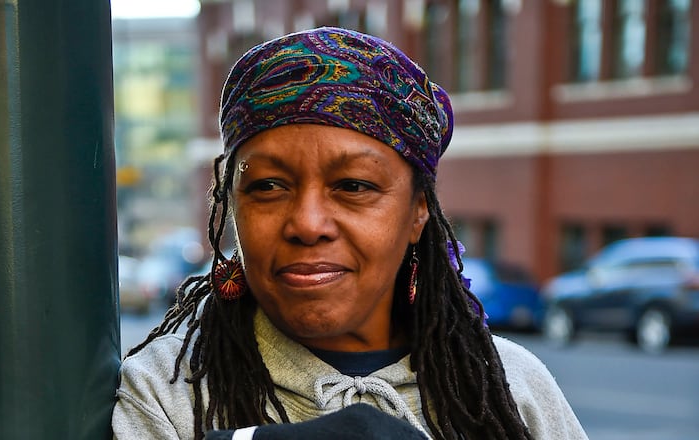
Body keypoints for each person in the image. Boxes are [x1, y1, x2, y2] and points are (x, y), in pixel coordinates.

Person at [112, 27, 588, 440]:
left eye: (354, 186)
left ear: (418, 211)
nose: (307, 224)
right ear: (232, 204)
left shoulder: (510, 386)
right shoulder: (166, 392)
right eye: (268, 186)